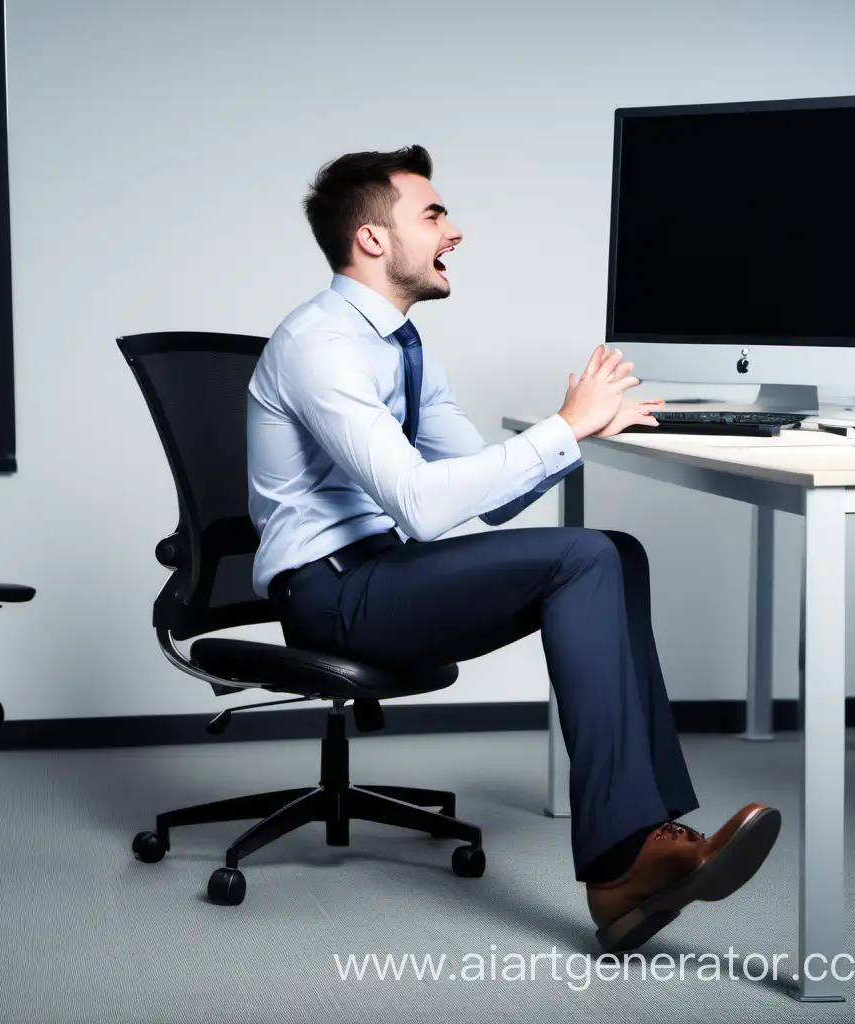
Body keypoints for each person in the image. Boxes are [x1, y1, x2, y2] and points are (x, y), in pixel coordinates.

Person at [246, 144, 781, 954]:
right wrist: (562, 427)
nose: (454, 231)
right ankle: (618, 866)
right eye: (432, 214)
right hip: (330, 597)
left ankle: (655, 838)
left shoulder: (402, 346)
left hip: (382, 574)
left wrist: (581, 432)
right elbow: (426, 508)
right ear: (372, 241)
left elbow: (486, 497)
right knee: (587, 557)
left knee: (616, 552)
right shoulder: (320, 346)